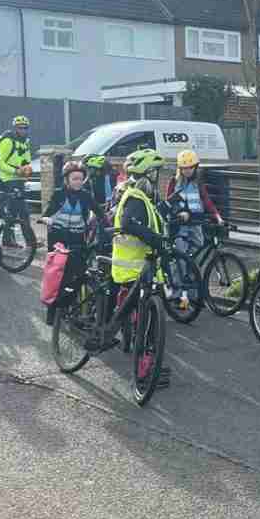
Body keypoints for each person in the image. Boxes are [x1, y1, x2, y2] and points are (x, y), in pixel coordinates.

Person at [110, 147, 171, 385]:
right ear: (149, 174)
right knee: (147, 324)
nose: (159, 177)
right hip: (134, 268)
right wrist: (156, 240)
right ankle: (144, 371)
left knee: (147, 322)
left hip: (143, 267)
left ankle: (148, 364)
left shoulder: (143, 197)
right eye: (156, 172)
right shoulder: (135, 196)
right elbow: (129, 224)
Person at [42, 161, 101, 326]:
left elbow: (99, 211)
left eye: (81, 179)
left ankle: (73, 308)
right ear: (67, 179)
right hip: (59, 241)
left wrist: (108, 223)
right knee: (57, 278)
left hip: (78, 239)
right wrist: (46, 219)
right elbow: (49, 211)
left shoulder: (86, 195)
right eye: (74, 178)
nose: (78, 182)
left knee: (79, 275)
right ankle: (52, 311)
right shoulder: (59, 194)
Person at [165, 149, 224, 256]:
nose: (187, 171)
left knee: (199, 247)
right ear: (180, 169)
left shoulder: (198, 183)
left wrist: (217, 216)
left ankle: (191, 266)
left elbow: (206, 200)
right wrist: (178, 213)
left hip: (195, 222)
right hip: (180, 224)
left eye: (190, 167)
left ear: (195, 167)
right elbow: (168, 202)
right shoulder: (174, 182)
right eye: (184, 168)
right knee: (180, 251)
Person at [0, 115, 35, 248]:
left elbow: (25, 160)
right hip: (7, 180)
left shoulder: (25, 143)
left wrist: (27, 168)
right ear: (15, 128)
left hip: (19, 180)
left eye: (25, 128)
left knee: (18, 212)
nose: (23, 130)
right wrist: (15, 171)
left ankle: (12, 240)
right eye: (20, 128)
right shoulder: (8, 141)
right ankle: (25, 241)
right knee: (19, 211)